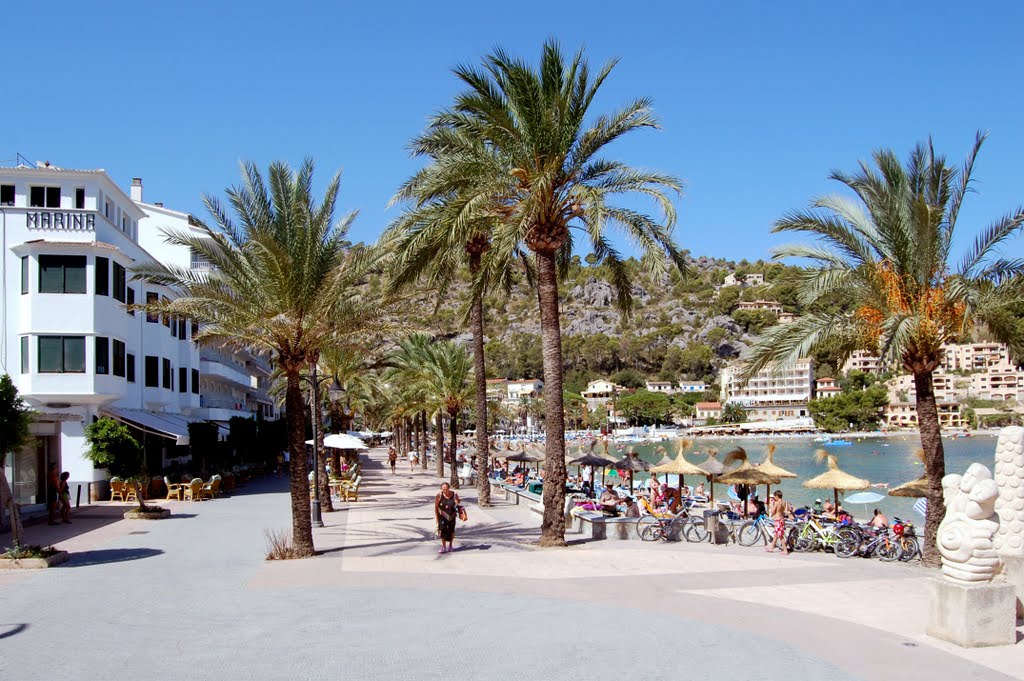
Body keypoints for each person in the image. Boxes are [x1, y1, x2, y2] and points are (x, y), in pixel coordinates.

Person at [434, 482, 460, 554]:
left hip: (452, 516)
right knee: (442, 531)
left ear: (449, 488)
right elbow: (436, 507)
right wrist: (436, 518)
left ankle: (450, 545)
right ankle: (443, 546)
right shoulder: (439, 495)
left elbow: (458, 501)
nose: (445, 491)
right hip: (442, 516)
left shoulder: (454, 494)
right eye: (443, 489)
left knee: (451, 531)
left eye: (446, 489)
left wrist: (457, 502)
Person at [766, 490, 790, 555]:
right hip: (782, 519)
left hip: (778, 520)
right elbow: (784, 511)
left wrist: (771, 504)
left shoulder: (777, 503)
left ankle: (785, 550)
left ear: (777, 496)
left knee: (780, 536)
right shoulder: (784, 502)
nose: (774, 498)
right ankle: (771, 547)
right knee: (776, 535)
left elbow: (773, 511)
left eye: (774, 497)